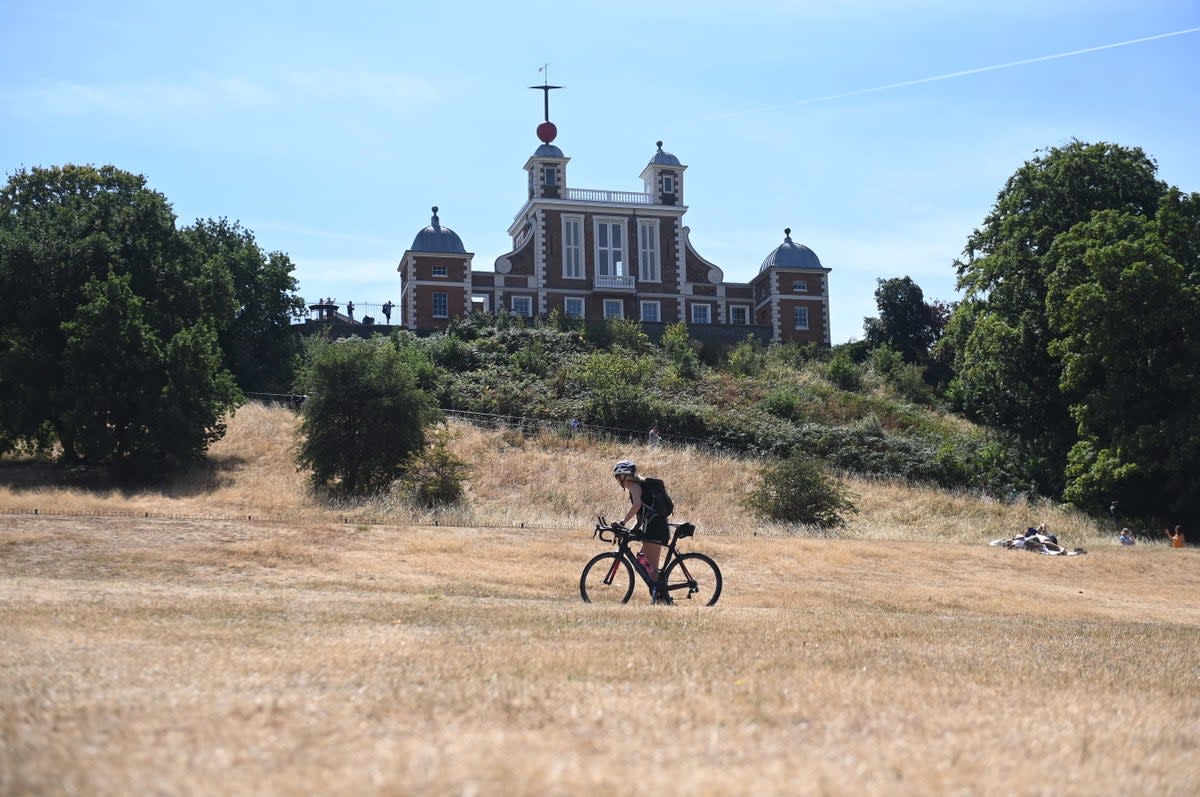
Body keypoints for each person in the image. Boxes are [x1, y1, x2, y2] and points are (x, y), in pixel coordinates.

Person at [612, 459, 670, 602]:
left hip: (655, 528)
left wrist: (622, 522)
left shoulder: (634, 486)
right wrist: (630, 531)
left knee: (652, 566)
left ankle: (661, 597)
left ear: (623, 476)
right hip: (653, 527)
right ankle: (659, 594)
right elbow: (640, 517)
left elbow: (637, 505)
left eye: (618, 477)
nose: (618, 480)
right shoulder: (640, 486)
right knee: (642, 558)